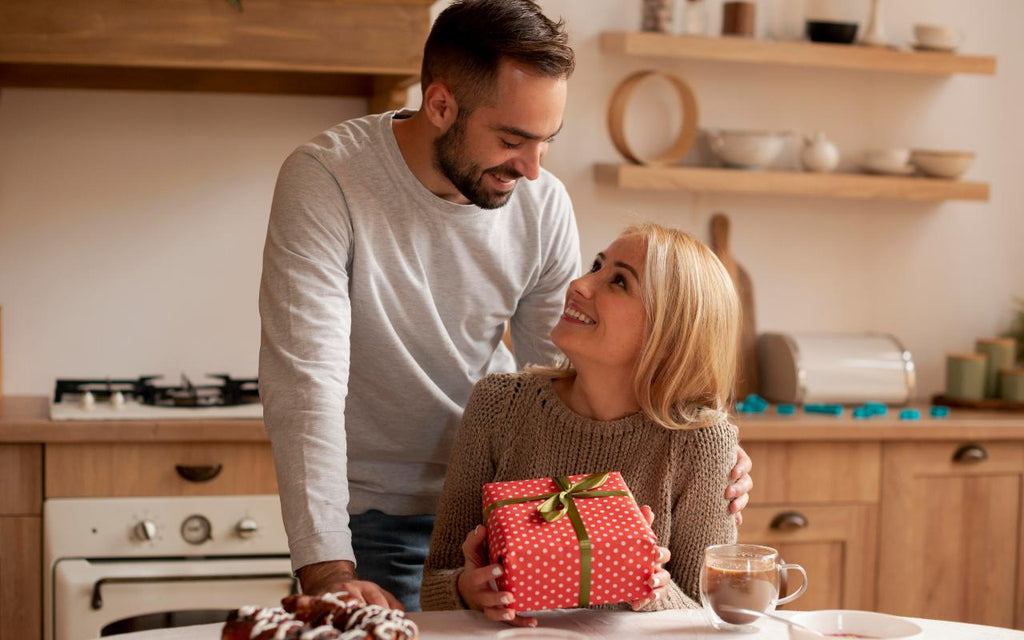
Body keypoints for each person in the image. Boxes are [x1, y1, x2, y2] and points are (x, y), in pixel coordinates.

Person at [258, 0, 753, 613]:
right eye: (513, 140)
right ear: (441, 105)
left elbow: (577, 376)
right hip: (369, 522)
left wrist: (700, 440)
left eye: (546, 141)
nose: (533, 169)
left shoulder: (539, 201)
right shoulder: (328, 180)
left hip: (515, 514)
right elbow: (307, 379)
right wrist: (328, 568)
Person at [421, 223, 739, 625]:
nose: (580, 285)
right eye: (596, 266)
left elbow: (709, 618)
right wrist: (467, 591)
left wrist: (650, 587)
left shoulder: (704, 444)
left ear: (668, 331)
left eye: (618, 282)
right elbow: (435, 583)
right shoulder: (497, 404)